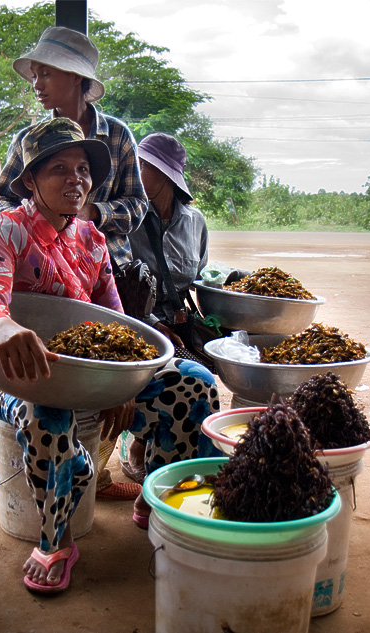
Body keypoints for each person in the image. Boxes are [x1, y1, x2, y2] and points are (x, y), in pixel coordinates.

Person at [0, 118, 220, 594]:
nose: (75, 179)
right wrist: (6, 327)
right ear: (29, 181)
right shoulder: (8, 229)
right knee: (45, 411)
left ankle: (162, 494)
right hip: (10, 371)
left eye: (83, 168)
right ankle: (56, 539)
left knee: (193, 382)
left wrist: (121, 381)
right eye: (58, 168)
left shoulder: (92, 240)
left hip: (89, 371)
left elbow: (118, 326)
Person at [0, 26, 149, 501]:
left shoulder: (116, 136)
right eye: (34, 74)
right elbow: (2, 200)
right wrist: (34, 227)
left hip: (102, 270)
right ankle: (68, 494)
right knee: (53, 390)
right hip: (39, 281)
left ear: (77, 79)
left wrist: (89, 217)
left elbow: (136, 206)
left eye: (46, 73)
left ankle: (97, 470)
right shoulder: (27, 140)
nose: (36, 83)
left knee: (113, 358)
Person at [122, 132, 211, 485]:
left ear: (166, 175)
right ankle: (137, 443)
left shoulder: (195, 222)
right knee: (157, 372)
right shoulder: (126, 217)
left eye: (143, 166)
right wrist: (150, 325)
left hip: (177, 322)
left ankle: (170, 460)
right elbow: (114, 284)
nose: (135, 172)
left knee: (202, 372)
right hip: (135, 322)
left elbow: (199, 275)